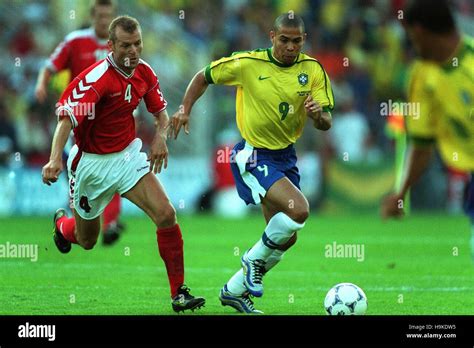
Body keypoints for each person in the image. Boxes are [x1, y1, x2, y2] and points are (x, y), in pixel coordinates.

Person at [171, 13, 334, 313]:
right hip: (253, 153)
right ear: (272, 36)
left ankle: (233, 290)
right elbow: (203, 76)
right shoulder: (248, 63)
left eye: (296, 41)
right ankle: (251, 261)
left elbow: (326, 122)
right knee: (299, 209)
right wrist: (184, 109)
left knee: (286, 238)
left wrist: (317, 115)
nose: (289, 46)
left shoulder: (312, 70)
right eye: (283, 39)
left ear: (304, 40)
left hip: (286, 156)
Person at [41, 15, 205, 313]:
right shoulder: (97, 79)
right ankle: (63, 228)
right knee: (88, 240)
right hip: (90, 165)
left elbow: (161, 114)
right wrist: (54, 160)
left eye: (138, 44)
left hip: (128, 157)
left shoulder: (144, 72)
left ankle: (179, 293)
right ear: (111, 45)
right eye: (126, 45)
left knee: (166, 214)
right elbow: (66, 118)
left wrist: (160, 138)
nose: (133, 51)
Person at [381, 0, 474, 258]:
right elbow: (422, 144)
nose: (411, 44)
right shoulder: (421, 76)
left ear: (419, 32)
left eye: (411, 36)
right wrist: (401, 193)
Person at [35, 0, 124, 246]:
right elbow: (50, 65)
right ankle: (67, 225)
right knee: (83, 183)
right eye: (101, 16)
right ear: (93, 16)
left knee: (117, 170)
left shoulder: (121, 46)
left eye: (109, 16)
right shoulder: (75, 42)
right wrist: (42, 84)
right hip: (78, 122)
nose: (105, 21)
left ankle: (108, 224)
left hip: (110, 122)